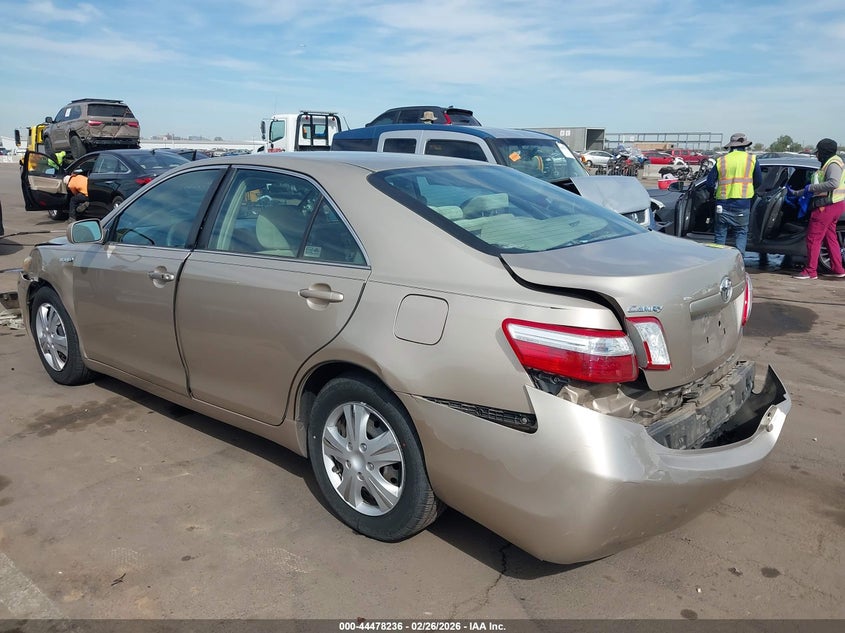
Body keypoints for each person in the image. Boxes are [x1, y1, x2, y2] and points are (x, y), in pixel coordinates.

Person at [789, 138, 845, 280]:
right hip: (835, 205)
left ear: (824, 152)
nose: (816, 155)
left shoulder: (833, 164)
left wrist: (811, 188)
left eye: (818, 152)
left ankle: (810, 271)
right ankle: (838, 269)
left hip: (826, 206)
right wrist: (798, 193)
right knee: (830, 238)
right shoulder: (834, 161)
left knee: (813, 239)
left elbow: (833, 183)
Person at [705, 132, 762, 258]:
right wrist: (749, 190)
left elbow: (709, 183)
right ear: (745, 146)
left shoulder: (721, 160)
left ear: (731, 146)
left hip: (723, 204)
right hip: (742, 204)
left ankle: (718, 261)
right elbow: (759, 181)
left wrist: (714, 193)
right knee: (741, 233)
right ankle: (739, 263)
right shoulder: (752, 160)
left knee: (720, 234)